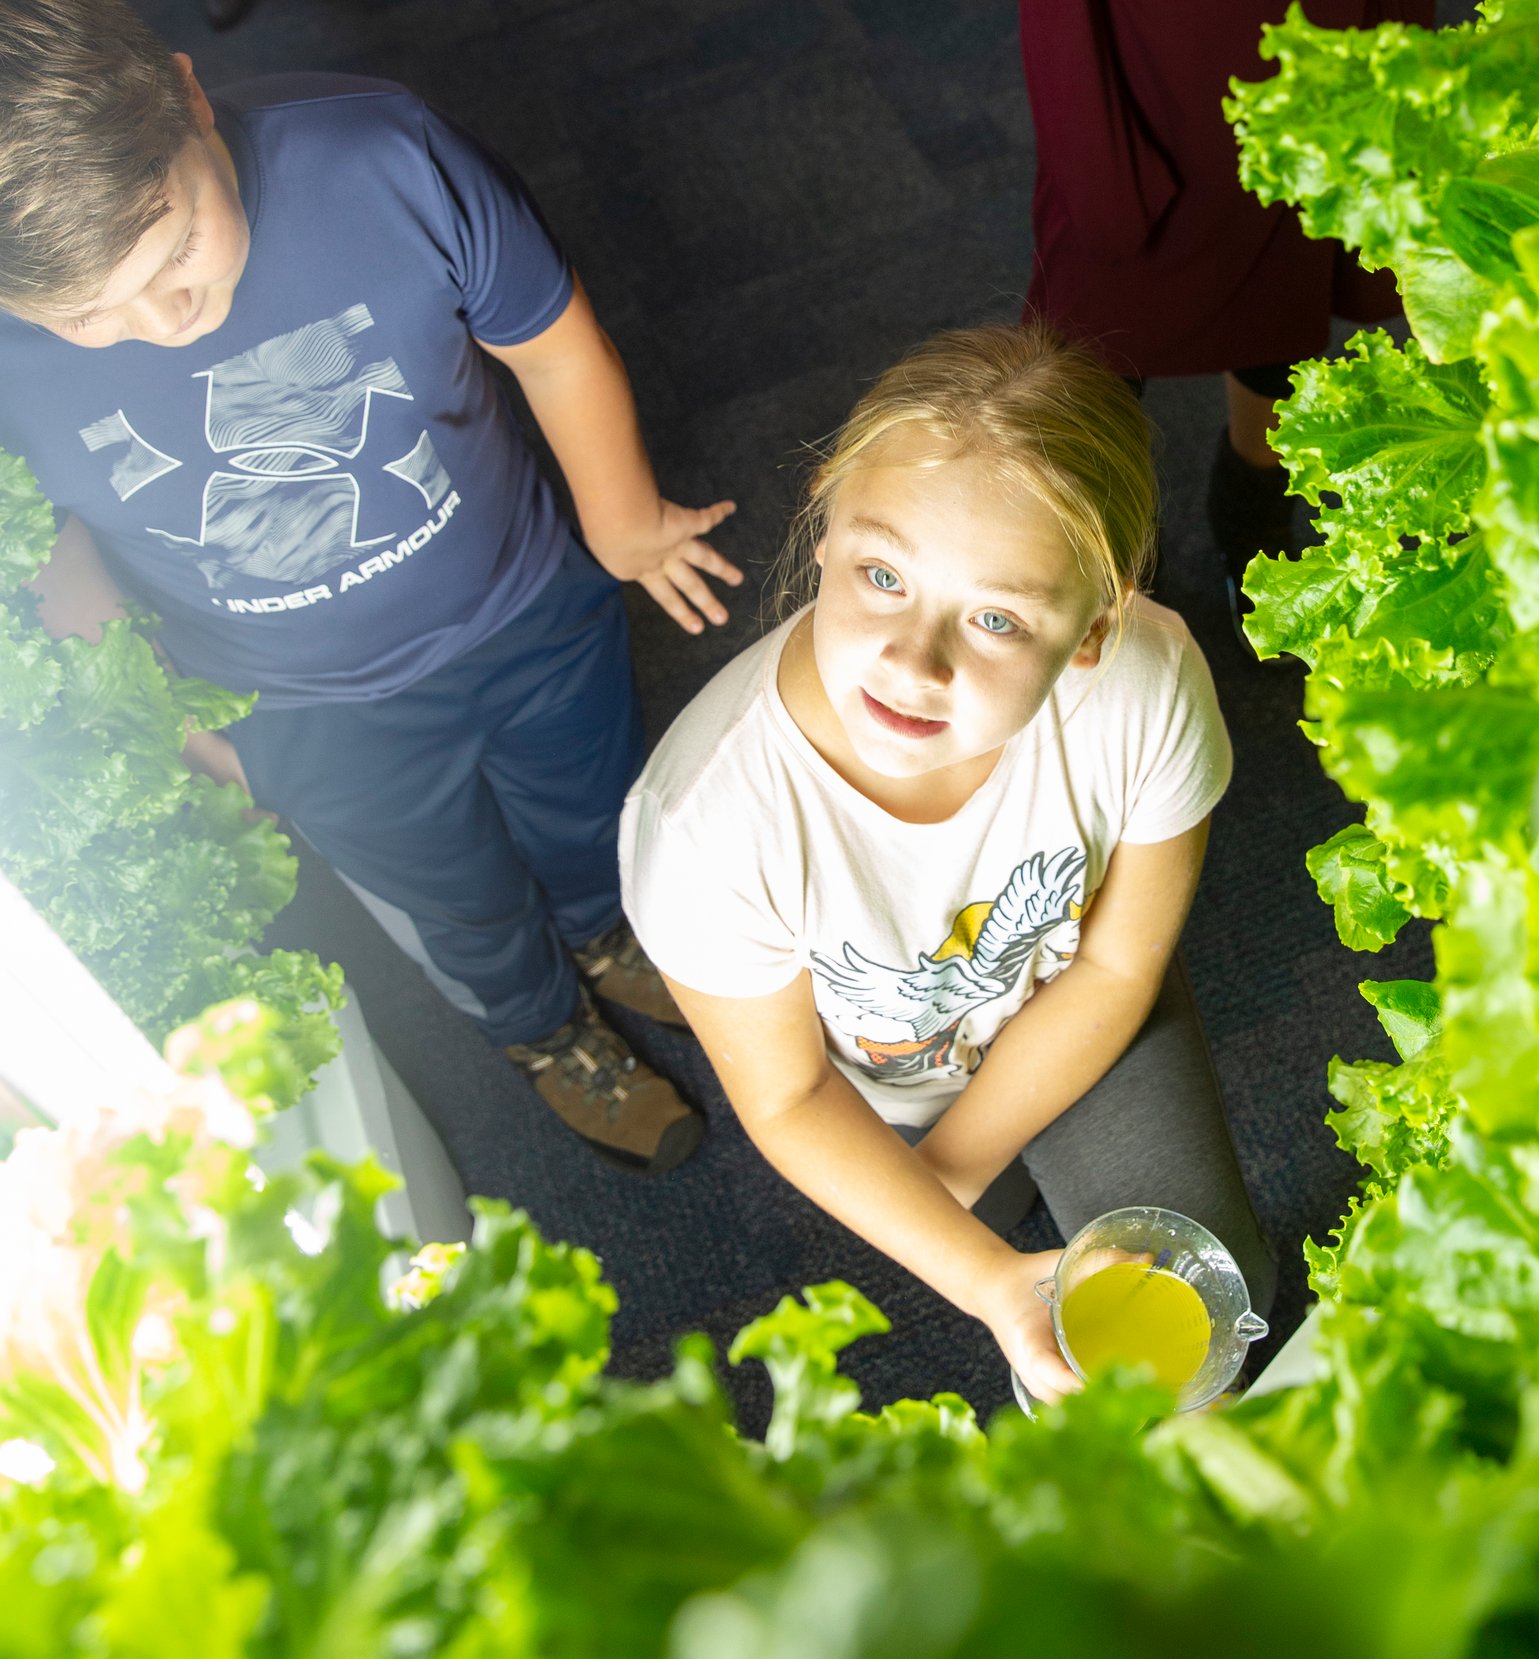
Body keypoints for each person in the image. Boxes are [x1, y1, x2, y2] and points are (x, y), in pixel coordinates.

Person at [0, 0, 741, 1172]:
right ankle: (541, 1027)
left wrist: (627, 524)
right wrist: (184, 735)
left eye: (177, 246)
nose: (166, 320)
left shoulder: (381, 152)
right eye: (90, 316)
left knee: (592, 796)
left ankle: (606, 933)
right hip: (294, 705)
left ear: (192, 99)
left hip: (524, 598)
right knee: (454, 897)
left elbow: (548, 344)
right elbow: (47, 559)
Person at [619, 324, 1276, 1402]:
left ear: (1098, 624)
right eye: (884, 573)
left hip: (1087, 1008)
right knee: (1005, 1241)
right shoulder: (703, 825)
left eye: (997, 618)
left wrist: (946, 1184)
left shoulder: (1150, 681)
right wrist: (981, 1264)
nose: (912, 662)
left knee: (1197, 1312)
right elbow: (788, 1098)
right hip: (874, 1087)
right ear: (826, 521)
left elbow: (1115, 972)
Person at [1018, 0, 1431, 623]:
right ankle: (1097, 547)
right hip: (1139, 84)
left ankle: (1250, 521)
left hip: (1304, 81)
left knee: (1275, 318)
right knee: (1094, 350)